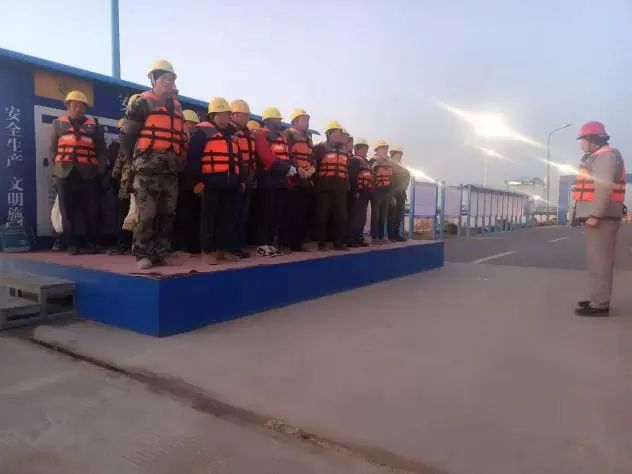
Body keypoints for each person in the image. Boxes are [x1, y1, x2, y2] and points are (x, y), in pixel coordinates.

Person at [120, 60, 187, 270]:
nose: (168, 82)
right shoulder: (142, 103)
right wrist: (132, 162)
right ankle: (142, 254)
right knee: (147, 214)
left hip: (171, 170)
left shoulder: (177, 107)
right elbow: (127, 135)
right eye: (164, 78)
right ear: (153, 80)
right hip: (146, 169)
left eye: (171, 78)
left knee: (167, 213)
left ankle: (161, 253)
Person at [572, 121, 625, 317]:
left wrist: (595, 214)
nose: (581, 144)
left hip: (602, 218)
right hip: (600, 217)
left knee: (600, 261)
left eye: (582, 140)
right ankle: (597, 299)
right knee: (596, 260)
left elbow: (604, 187)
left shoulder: (606, 156)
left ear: (592, 139)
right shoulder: (597, 157)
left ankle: (600, 305)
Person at [49, 90, 107, 255]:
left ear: (85, 108)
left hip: (88, 173)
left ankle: (92, 243)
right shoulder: (57, 124)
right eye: (74, 105)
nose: (77, 109)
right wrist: (56, 168)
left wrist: (100, 170)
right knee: (67, 210)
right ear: (68, 106)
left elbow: (101, 150)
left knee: (92, 209)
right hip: (64, 173)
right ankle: (71, 244)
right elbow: (52, 149)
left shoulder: (94, 126)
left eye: (81, 106)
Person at [187, 98, 241, 265]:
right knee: (209, 217)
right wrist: (197, 181)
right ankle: (207, 250)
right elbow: (193, 158)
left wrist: (241, 179)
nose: (225, 118)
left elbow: (238, 159)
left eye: (227, 114)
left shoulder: (233, 134)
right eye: (221, 114)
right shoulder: (202, 133)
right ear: (212, 115)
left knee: (228, 217)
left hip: (231, 182)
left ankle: (223, 249)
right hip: (209, 181)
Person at [255, 107, 295, 257]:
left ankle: (270, 243)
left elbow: (288, 156)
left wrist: (291, 168)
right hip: (268, 179)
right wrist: (286, 168)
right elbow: (266, 156)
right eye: (277, 119)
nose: (279, 122)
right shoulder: (261, 134)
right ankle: (262, 244)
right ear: (268, 120)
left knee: (276, 213)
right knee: (266, 212)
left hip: (281, 180)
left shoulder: (281, 137)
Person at [312, 120, 349, 251]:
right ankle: (321, 243)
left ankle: (338, 242)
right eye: (337, 133)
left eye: (340, 133)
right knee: (322, 216)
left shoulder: (345, 151)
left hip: (340, 189)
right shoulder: (319, 149)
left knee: (341, 217)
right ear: (328, 134)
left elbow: (346, 170)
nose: (339, 136)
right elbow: (314, 167)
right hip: (324, 188)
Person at [173, 109, 202, 255]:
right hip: (178, 181)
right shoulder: (176, 139)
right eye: (188, 123)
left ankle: (190, 245)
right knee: (180, 214)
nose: (190, 127)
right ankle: (179, 245)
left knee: (191, 214)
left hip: (189, 183)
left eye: (193, 124)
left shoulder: (195, 141)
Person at [285, 108, 315, 251]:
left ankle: (298, 243)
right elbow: (286, 154)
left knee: (303, 213)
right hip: (293, 179)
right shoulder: (288, 135)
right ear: (295, 121)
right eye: (305, 120)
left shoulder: (308, 138)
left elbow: (312, 157)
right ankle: (288, 243)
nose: (307, 123)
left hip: (306, 180)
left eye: (308, 120)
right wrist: (298, 169)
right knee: (291, 213)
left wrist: (312, 169)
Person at [230, 99, 257, 258]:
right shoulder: (230, 132)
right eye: (243, 115)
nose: (247, 118)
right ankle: (231, 247)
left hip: (249, 178)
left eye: (247, 115)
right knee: (233, 214)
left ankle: (239, 245)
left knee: (243, 215)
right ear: (234, 115)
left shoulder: (249, 134)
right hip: (235, 178)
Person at [346, 138, 373, 247]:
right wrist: (355, 191)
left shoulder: (366, 162)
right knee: (355, 217)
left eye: (366, 148)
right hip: (358, 193)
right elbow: (352, 177)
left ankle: (358, 237)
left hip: (365, 193)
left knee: (362, 218)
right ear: (356, 149)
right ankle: (351, 239)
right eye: (362, 148)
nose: (365, 150)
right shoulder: (355, 161)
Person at [370, 140, 393, 244]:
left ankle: (381, 236)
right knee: (376, 215)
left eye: (386, 148)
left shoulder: (389, 162)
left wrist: (391, 194)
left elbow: (391, 178)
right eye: (383, 148)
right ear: (377, 150)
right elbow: (369, 171)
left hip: (386, 192)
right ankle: (374, 237)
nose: (385, 150)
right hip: (376, 191)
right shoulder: (373, 160)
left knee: (383, 215)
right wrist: (378, 162)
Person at [388, 146, 410, 241]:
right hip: (393, 194)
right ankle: (391, 235)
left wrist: (403, 187)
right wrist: (392, 193)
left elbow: (407, 177)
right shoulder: (389, 165)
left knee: (399, 216)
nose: (399, 156)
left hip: (401, 194)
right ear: (393, 154)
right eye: (398, 154)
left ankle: (397, 234)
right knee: (392, 216)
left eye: (400, 154)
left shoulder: (403, 167)